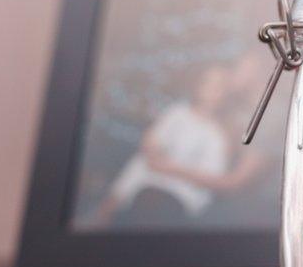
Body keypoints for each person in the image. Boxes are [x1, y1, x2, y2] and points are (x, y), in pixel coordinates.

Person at [94, 66, 231, 228]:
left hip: (180, 192)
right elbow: (151, 143)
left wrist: (170, 168)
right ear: (198, 85)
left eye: (219, 86)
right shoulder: (177, 113)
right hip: (147, 177)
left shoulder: (217, 134)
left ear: (225, 93)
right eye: (208, 82)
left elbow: (212, 177)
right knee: (132, 183)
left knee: (152, 205)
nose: (212, 89)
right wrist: (153, 154)